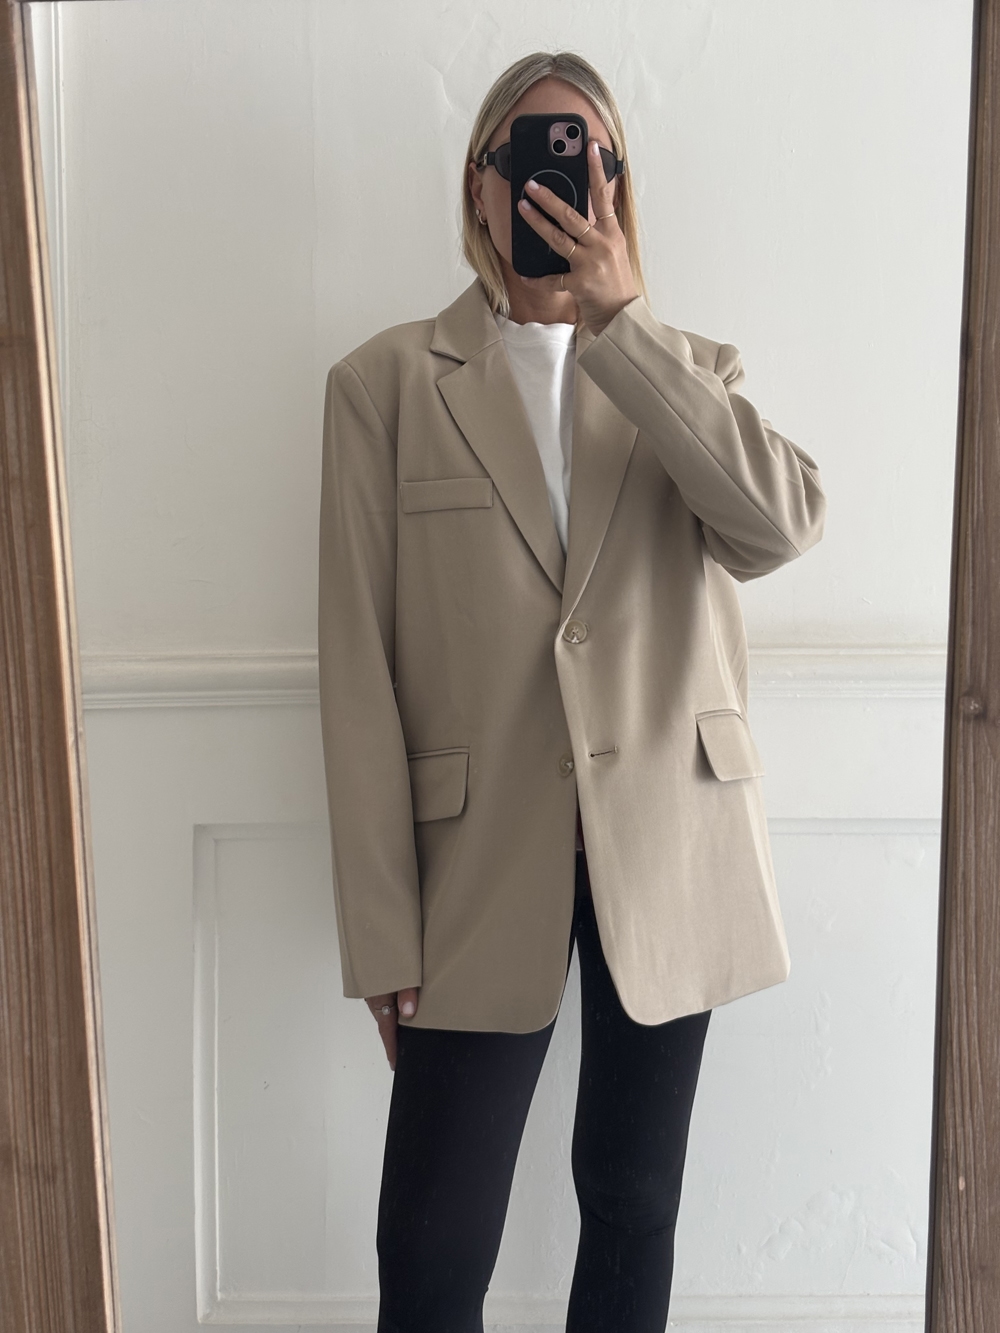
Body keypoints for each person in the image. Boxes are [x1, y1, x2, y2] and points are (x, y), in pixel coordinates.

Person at [318, 49, 826, 1333]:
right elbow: (357, 669)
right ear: (480, 185)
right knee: (430, 1242)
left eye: (587, 155)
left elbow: (777, 528)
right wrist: (380, 931)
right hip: (476, 860)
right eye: (529, 154)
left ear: (616, 183)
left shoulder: (682, 368)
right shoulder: (384, 385)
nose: (558, 180)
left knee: (632, 1197)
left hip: (671, 834)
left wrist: (625, 327)